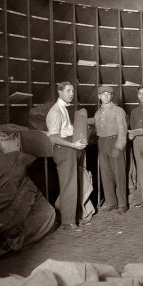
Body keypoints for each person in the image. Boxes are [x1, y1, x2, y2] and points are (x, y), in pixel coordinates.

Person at [46, 81, 88, 232]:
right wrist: (73, 145)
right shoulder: (56, 111)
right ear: (60, 92)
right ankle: (68, 223)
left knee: (71, 184)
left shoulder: (64, 109)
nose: (71, 93)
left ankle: (63, 210)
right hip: (64, 149)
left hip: (70, 147)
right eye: (68, 91)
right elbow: (53, 137)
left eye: (72, 91)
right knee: (69, 185)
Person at [94, 85, 128, 214]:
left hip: (115, 141)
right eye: (103, 94)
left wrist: (118, 147)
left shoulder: (118, 110)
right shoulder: (98, 113)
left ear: (112, 96)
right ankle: (111, 203)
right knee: (106, 173)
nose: (106, 96)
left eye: (108, 94)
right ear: (99, 96)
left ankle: (122, 204)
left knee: (119, 174)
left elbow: (122, 130)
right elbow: (97, 130)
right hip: (102, 142)